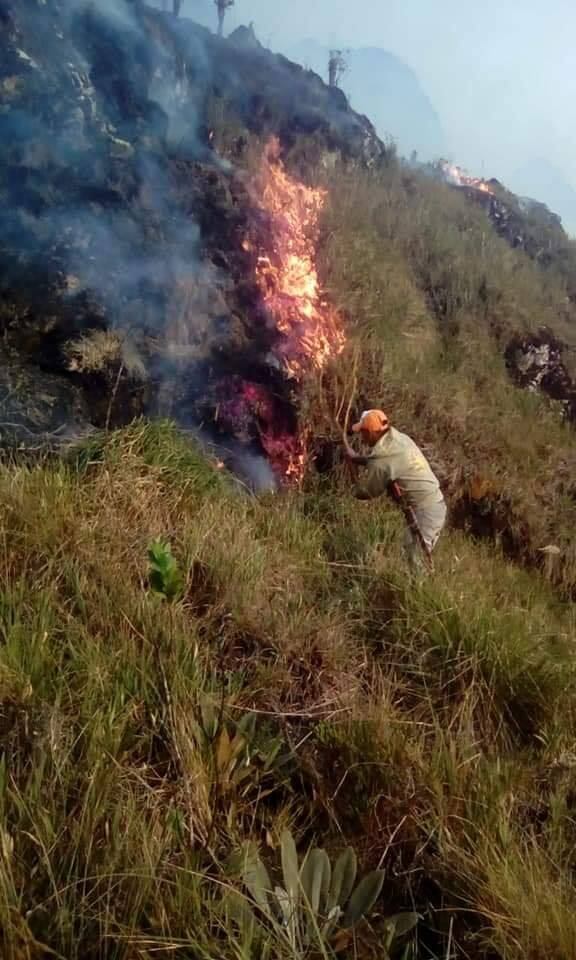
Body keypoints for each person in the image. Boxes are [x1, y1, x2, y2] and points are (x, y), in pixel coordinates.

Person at [343, 409, 446, 575]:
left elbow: (367, 493)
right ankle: (416, 588)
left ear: (370, 432)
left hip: (427, 510)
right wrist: (356, 458)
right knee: (410, 550)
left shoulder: (382, 460)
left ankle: (417, 593)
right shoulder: (398, 438)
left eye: (362, 432)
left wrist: (353, 484)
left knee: (414, 557)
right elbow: (384, 462)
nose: (361, 437)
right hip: (433, 504)